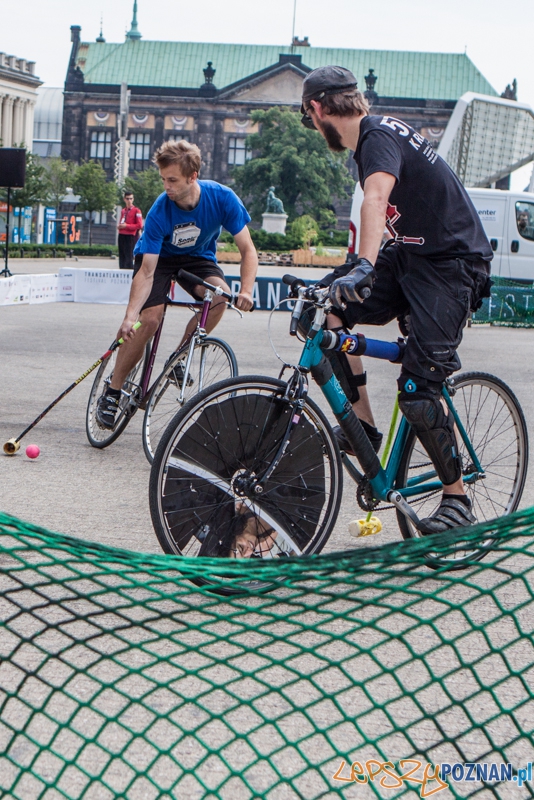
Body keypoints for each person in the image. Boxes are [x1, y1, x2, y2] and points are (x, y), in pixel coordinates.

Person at [300, 66, 493, 534]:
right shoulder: (376, 137)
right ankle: (363, 427)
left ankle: (456, 499)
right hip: (411, 256)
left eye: (309, 119)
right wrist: (336, 278)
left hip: (453, 265)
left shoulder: (376, 136)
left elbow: (376, 198)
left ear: (318, 109)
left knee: (418, 393)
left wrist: (364, 265)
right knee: (326, 312)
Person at [96, 139, 257, 430]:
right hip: (160, 260)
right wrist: (130, 316)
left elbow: (248, 249)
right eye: (163, 179)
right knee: (150, 320)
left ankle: (180, 356)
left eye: (172, 180)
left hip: (197, 259)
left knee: (220, 297)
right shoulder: (161, 210)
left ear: (192, 177)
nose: (166, 186)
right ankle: (113, 391)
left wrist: (246, 290)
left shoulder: (222, 198)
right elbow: (146, 272)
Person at [118, 191, 143, 269]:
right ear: (124, 199)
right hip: (121, 234)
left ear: (133, 199)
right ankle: (121, 271)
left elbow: (139, 225)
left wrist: (127, 226)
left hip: (130, 235)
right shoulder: (123, 211)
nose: (129, 200)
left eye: (131, 199)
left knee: (129, 256)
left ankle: (128, 272)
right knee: (122, 256)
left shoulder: (136, 211)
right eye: (127, 199)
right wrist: (120, 226)